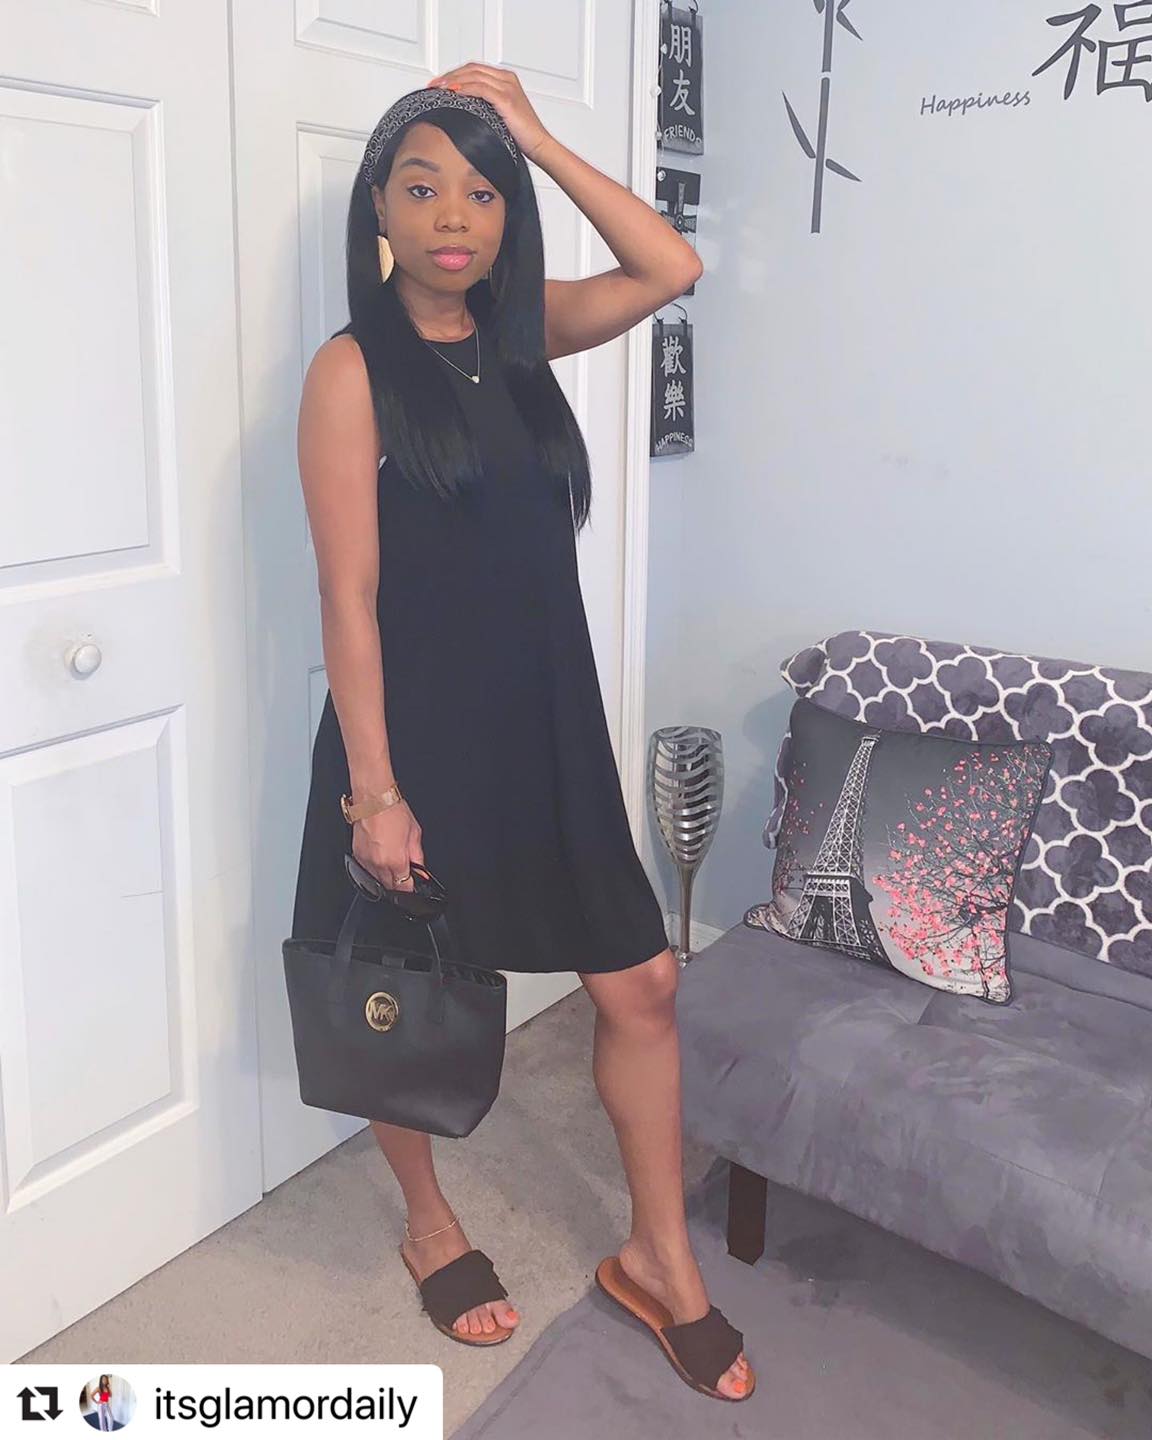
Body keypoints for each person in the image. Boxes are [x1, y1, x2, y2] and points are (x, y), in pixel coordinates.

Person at [290, 67, 754, 1404]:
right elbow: (349, 597)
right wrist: (375, 792)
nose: (455, 216)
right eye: (423, 185)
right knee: (410, 992)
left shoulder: (525, 332)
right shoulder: (352, 370)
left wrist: (539, 137)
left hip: (548, 724)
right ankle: (431, 1222)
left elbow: (670, 266)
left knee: (642, 983)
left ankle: (659, 1258)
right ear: (380, 208)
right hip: (416, 742)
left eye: (483, 192)